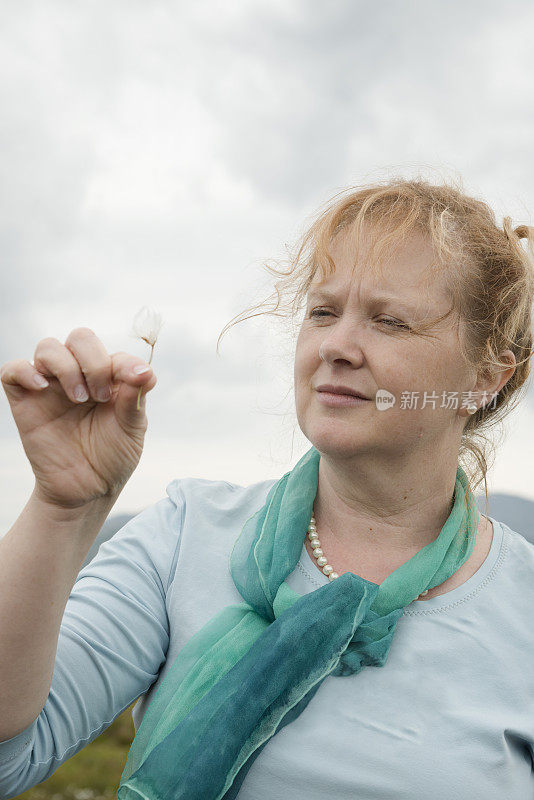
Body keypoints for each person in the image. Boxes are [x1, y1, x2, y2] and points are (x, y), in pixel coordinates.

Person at [1, 176, 534, 799]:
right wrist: (65, 508)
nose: (336, 346)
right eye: (323, 312)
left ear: (486, 377)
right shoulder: (184, 533)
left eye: (389, 321)